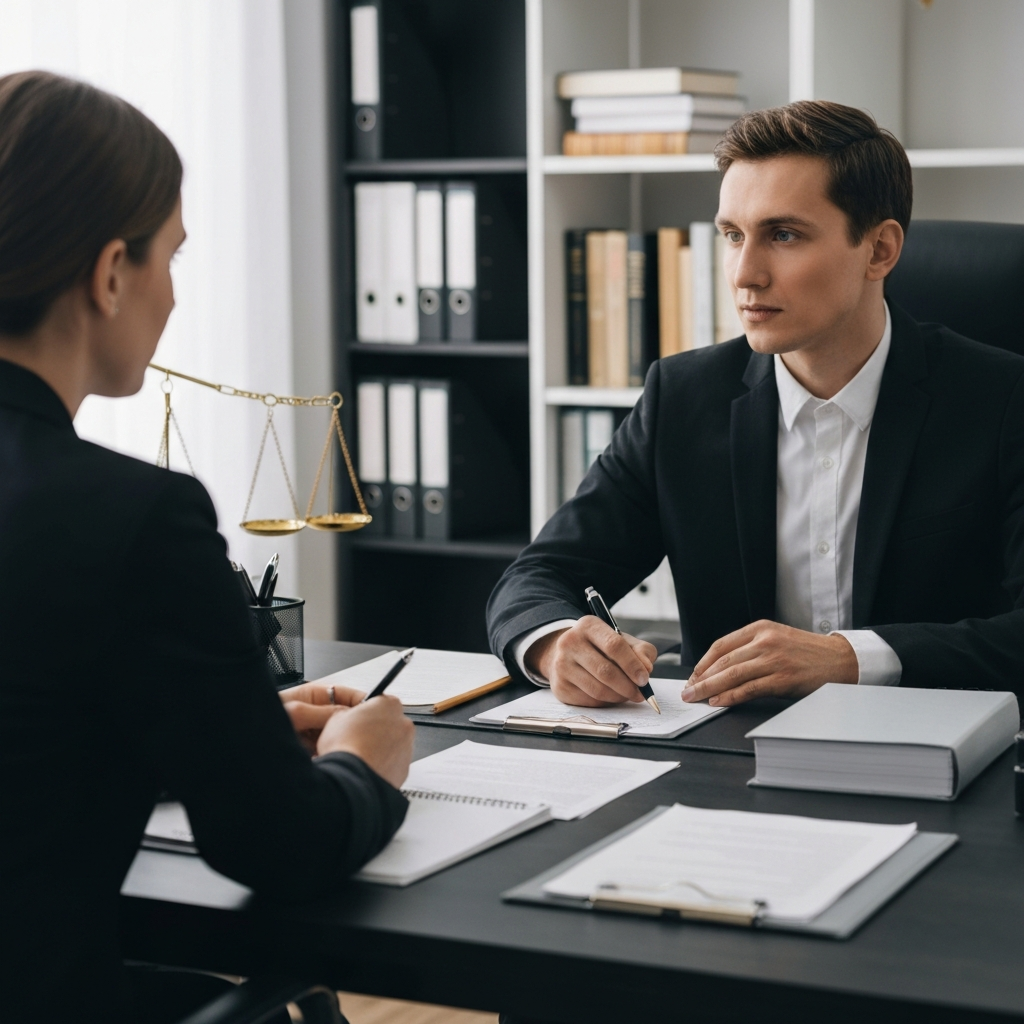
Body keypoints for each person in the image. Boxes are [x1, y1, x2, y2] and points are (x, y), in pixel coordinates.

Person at [0, 71, 414, 1024]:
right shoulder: (127, 516)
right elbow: (281, 848)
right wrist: (364, 760)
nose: (175, 297)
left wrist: (203, 729)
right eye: (170, 259)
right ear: (110, 273)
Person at [487, 99, 1024, 711]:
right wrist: (558, 645)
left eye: (784, 235)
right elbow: (537, 579)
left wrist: (849, 658)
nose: (745, 274)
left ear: (879, 250)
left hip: (938, 757)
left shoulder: (1002, 400)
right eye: (732, 235)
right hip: (725, 762)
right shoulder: (683, 399)